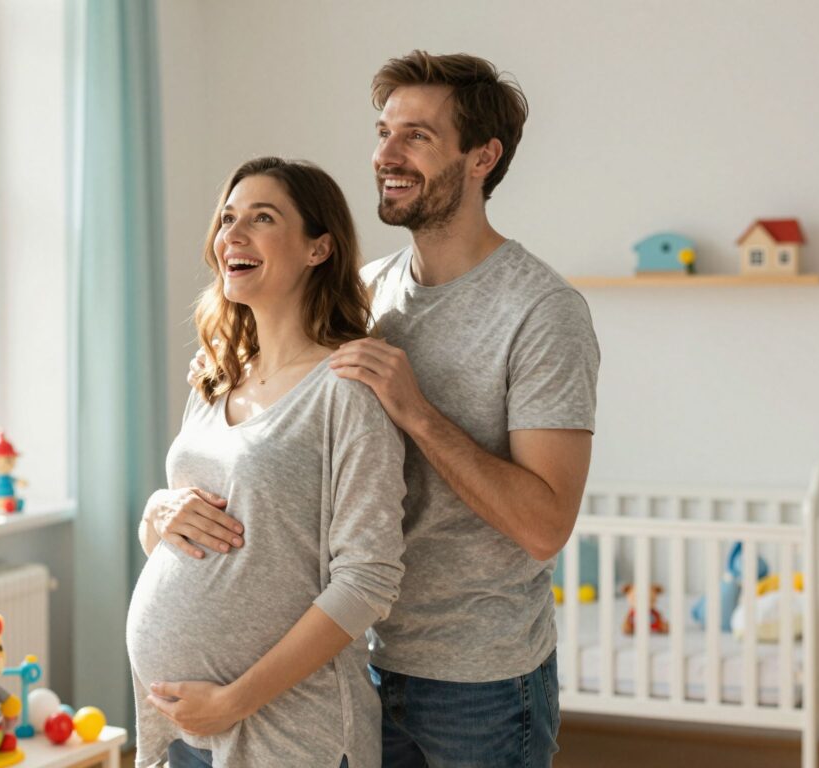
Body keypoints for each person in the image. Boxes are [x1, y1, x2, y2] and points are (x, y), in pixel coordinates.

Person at [173, 52, 599, 767]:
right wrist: (230, 374)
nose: (385, 156)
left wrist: (418, 413)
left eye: (417, 136)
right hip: (356, 660)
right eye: (383, 132)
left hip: (479, 684)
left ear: (482, 158)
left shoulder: (542, 311)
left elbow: (544, 526)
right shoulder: (365, 294)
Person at [126, 157, 406, 768]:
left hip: (290, 735)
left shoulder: (346, 387)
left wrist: (234, 701)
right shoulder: (216, 376)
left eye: (262, 218)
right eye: (228, 218)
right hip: (186, 730)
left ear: (318, 248)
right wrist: (156, 514)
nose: (233, 234)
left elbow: (367, 581)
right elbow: (186, 545)